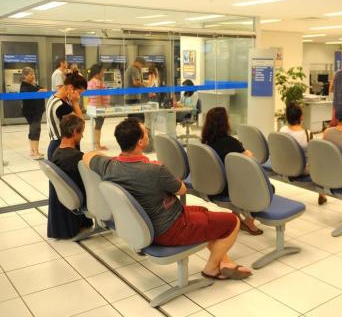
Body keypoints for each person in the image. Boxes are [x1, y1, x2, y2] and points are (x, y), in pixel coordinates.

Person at [83, 117, 252, 280]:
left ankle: (225, 262)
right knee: (232, 221)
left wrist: (112, 160)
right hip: (170, 228)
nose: (148, 132)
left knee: (204, 211)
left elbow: (87, 156)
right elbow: (182, 189)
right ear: (140, 142)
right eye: (145, 131)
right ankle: (211, 269)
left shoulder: (109, 166)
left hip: (149, 222)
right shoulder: (154, 170)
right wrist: (164, 172)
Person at [201, 107, 263, 235]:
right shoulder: (230, 142)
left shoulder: (206, 142)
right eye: (228, 117)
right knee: (266, 188)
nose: (230, 119)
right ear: (224, 122)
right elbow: (251, 158)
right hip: (227, 188)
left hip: (212, 184)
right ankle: (249, 222)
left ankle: (236, 217)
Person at [46, 71, 88, 239]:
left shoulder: (53, 98)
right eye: (79, 92)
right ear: (71, 87)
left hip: (57, 147)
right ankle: (66, 228)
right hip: (65, 149)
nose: (79, 96)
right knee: (69, 189)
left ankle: (71, 225)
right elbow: (80, 124)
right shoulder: (63, 106)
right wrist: (76, 104)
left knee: (62, 188)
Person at [50, 114, 93, 239]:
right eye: (81, 133)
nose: (82, 136)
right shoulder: (76, 157)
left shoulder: (57, 152)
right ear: (74, 131)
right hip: (83, 198)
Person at [280, 103, 327, 205]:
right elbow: (314, 154)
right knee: (321, 163)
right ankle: (322, 194)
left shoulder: (282, 130)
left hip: (284, 166)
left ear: (287, 117)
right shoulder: (307, 134)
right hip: (301, 170)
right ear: (301, 117)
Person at [20, 67, 47, 160]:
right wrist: (38, 91)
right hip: (32, 112)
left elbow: (41, 89)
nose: (33, 76)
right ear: (24, 76)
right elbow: (28, 95)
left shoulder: (33, 84)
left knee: (33, 130)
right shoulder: (24, 86)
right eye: (30, 74)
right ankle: (35, 152)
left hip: (37, 111)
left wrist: (40, 90)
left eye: (33, 74)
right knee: (35, 129)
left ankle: (33, 150)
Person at [87, 64, 110, 150]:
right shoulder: (95, 82)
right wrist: (102, 109)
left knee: (98, 125)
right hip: (98, 108)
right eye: (102, 71)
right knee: (98, 125)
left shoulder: (96, 81)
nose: (103, 72)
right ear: (97, 73)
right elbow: (97, 96)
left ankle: (97, 144)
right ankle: (97, 145)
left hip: (99, 107)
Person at [124, 56, 146, 121]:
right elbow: (136, 82)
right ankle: (138, 131)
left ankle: (131, 131)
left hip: (128, 97)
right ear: (137, 62)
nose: (141, 66)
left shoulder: (129, 68)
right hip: (134, 97)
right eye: (141, 65)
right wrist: (144, 84)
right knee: (139, 118)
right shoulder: (134, 69)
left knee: (131, 118)